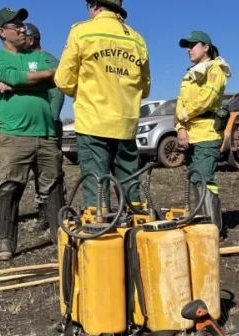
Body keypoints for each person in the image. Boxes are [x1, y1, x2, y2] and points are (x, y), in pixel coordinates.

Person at [54, 0, 150, 210]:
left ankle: (100, 225)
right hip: (126, 124)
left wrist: (83, 91)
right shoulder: (137, 39)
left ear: (95, 5)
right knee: (130, 184)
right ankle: (136, 223)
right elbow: (145, 88)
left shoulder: (82, 32)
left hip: (93, 122)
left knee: (97, 185)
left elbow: (63, 81)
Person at [0, 7, 64, 261]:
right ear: (2, 32)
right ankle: (5, 242)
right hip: (14, 134)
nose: (22, 29)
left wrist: (18, 83)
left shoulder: (38, 56)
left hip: (46, 133)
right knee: (10, 185)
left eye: (23, 25)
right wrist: (32, 79)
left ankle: (60, 236)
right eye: (16, 26)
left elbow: (54, 77)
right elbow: (8, 75)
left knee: (53, 184)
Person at [175, 30, 231, 236]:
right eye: (187, 46)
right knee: (195, 180)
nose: (189, 50)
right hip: (190, 135)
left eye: (193, 45)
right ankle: (202, 226)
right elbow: (180, 101)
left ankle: (212, 231)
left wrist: (183, 115)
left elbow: (207, 99)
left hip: (207, 135)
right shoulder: (190, 73)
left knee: (204, 180)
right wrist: (180, 128)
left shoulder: (216, 69)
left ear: (206, 47)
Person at [23, 22, 65, 231]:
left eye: (23, 37)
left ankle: (56, 211)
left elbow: (58, 93)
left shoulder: (49, 61)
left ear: (32, 40)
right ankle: (43, 212)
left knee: (51, 170)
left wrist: (50, 118)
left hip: (48, 126)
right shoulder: (22, 61)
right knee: (34, 171)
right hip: (28, 128)